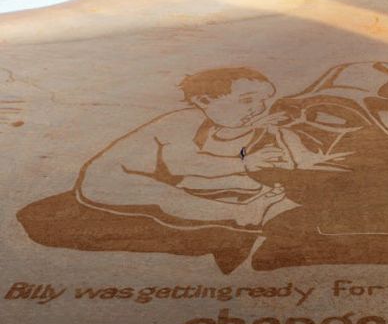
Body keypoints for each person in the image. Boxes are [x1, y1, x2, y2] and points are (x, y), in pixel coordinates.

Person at [75, 68, 297, 229]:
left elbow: (220, 146)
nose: (259, 108)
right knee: (167, 197)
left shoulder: (210, 120)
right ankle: (240, 214)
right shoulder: (181, 120)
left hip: (161, 176)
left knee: (225, 180)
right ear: (204, 100)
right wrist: (244, 162)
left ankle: (249, 194)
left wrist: (250, 131)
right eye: (247, 101)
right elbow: (182, 164)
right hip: (112, 179)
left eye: (263, 101)